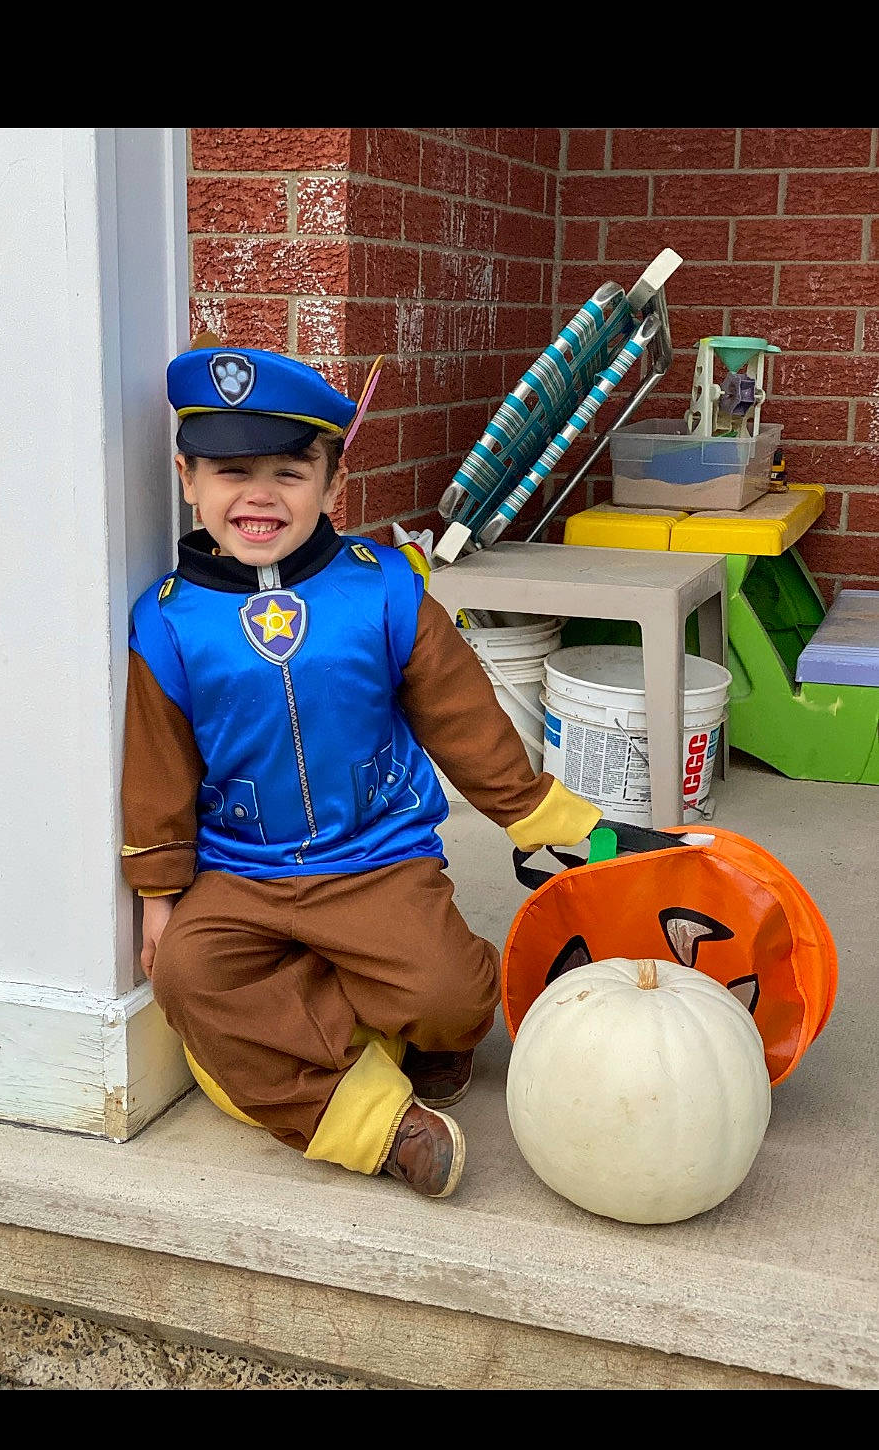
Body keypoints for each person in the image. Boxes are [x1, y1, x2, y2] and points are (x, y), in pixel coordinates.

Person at [120, 340, 603, 1200]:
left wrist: (535, 812)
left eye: (289, 471)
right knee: (189, 976)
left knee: (451, 997)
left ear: (333, 483)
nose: (260, 495)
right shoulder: (166, 620)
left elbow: (460, 714)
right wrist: (159, 894)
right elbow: (158, 762)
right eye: (231, 472)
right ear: (188, 479)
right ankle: (375, 1125)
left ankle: (411, 1023)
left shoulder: (384, 590)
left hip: (375, 858)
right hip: (241, 873)